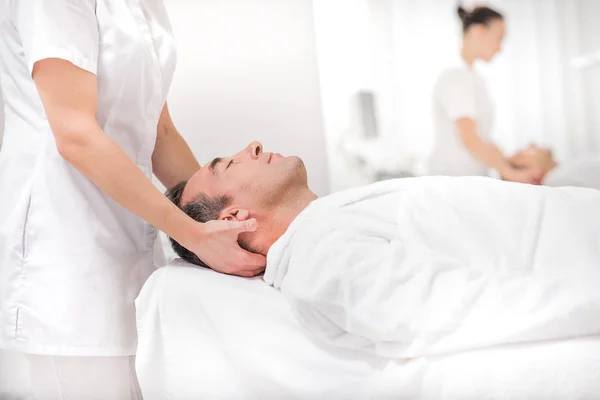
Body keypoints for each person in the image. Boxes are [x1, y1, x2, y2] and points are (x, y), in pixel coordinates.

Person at [0, 1, 265, 398]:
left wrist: (224, 223)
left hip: (131, 253)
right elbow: (75, 135)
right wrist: (193, 235)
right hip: (65, 253)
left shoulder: (145, 7)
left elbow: (161, 135)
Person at [167, 140, 600, 361]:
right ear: (233, 218)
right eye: (228, 164)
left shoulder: (326, 225)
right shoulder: (319, 258)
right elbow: (454, 306)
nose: (254, 146)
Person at [428, 5, 542, 184]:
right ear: (478, 31)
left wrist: (508, 161)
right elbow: (470, 138)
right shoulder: (456, 76)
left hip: (469, 178)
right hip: (454, 180)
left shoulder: (473, 78)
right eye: (499, 38)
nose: (500, 48)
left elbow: (483, 137)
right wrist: (509, 173)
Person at [507, 144, 600, 190]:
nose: (532, 145)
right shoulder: (557, 180)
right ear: (535, 173)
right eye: (526, 152)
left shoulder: (562, 173)